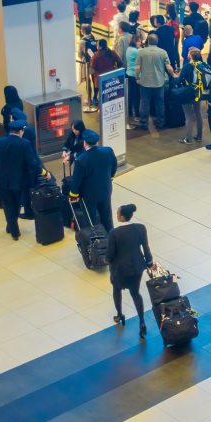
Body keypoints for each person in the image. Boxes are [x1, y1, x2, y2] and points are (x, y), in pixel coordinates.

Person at [0, 119, 48, 240]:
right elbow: (32, 163)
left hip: (3, 180)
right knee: (16, 204)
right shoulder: (25, 144)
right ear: (21, 131)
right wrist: (44, 173)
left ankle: (10, 226)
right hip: (19, 181)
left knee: (7, 205)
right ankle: (15, 231)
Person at [106, 204, 152, 339]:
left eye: (117, 213)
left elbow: (109, 255)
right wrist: (149, 262)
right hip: (137, 267)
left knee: (116, 290)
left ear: (122, 217)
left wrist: (106, 260)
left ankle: (120, 315)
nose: (116, 215)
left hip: (119, 270)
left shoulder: (114, 233)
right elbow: (146, 247)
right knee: (135, 294)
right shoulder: (140, 228)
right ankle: (142, 322)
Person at [68, 129, 118, 231]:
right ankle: (111, 236)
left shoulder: (81, 160)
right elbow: (114, 165)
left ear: (85, 143)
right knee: (107, 218)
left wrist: (73, 195)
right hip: (106, 190)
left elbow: (76, 180)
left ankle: (96, 238)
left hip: (89, 196)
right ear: (96, 142)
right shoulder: (108, 151)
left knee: (91, 221)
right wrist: (110, 177)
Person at [135, 34, 175, 131]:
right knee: (159, 103)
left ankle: (144, 123)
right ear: (157, 41)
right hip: (159, 82)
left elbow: (138, 67)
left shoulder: (141, 52)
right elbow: (168, 67)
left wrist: (137, 77)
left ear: (148, 41)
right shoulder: (163, 52)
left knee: (144, 103)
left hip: (145, 82)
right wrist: (173, 75)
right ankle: (160, 123)